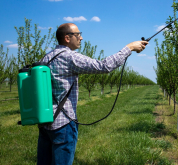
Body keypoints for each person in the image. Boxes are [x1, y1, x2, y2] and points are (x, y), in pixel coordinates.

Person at [37, 23, 148, 165]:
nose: (81, 38)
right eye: (78, 35)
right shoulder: (69, 57)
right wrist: (129, 48)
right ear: (67, 38)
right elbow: (103, 66)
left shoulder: (46, 58)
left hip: (45, 121)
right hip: (63, 124)